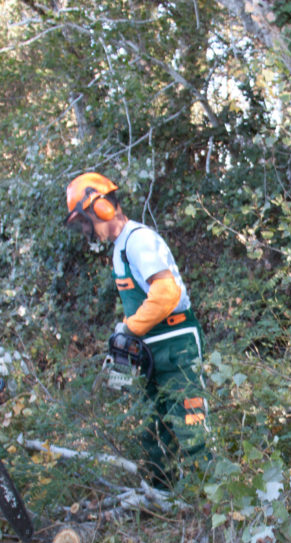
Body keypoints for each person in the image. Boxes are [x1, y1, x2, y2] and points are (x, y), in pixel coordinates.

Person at [64, 172, 209, 489]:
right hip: (153, 349)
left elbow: (167, 293)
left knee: (190, 423)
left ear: (100, 207)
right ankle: (165, 499)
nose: (87, 230)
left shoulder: (138, 240)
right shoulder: (120, 248)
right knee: (153, 429)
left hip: (176, 343)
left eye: (85, 221)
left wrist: (129, 328)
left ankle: (218, 503)